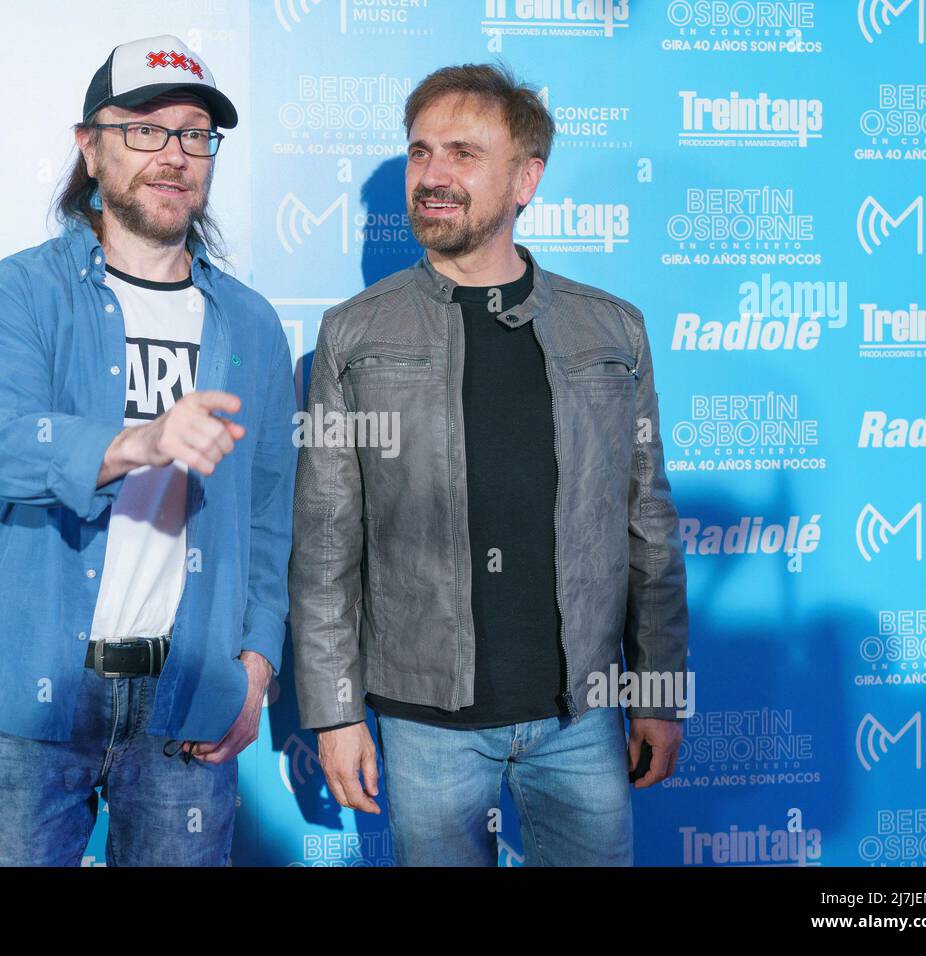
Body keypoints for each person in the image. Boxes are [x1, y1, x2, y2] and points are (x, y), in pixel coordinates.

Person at [289, 62, 690, 866]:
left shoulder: (611, 331)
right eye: (419, 152)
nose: (432, 176)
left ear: (525, 179)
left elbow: (647, 524)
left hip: (582, 719)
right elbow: (326, 546)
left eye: (463, 154)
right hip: (424, 724)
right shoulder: (352, 336)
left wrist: (657, 691)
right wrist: (334, 714)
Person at [0, 34, 297, 866]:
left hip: (188, 704)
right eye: (143, 129)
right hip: (30, 699)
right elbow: (9, 452)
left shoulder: (250, 324)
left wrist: (258, 664)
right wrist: (145, 440)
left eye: (194, 135)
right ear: (90, 147)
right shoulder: (23, 291)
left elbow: (272, 511)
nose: (172, 155)